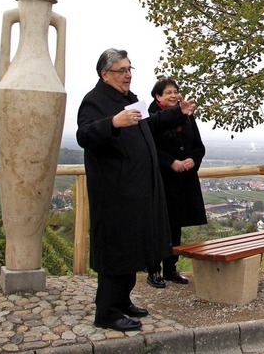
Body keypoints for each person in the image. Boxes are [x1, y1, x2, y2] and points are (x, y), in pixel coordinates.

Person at [76, 48, 194, 331]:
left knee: (131, 248)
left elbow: (150, 126)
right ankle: (106, 312)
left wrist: (177, 113)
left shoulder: (129, 99)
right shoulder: (95, 101)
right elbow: (84, 135)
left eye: (130, 69)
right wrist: (112, 123)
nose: (128, 75)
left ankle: (122, 301)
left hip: (137, 189)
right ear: (105, 74)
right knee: (116, 250)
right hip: (114, 192)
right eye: (121, 70)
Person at [145, 78, 208, 288]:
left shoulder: (187, 115)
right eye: (167, 92)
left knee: (176, 226)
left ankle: (171, 269)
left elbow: (199, 145)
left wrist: (193, 160)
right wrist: (170, 162)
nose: (172, 95)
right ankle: (153, 271)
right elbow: (149, 147)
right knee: (157, 225)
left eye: (175, 91)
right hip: (161, 178)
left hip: (183, 179)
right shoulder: (150, 117)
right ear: (158, 96)